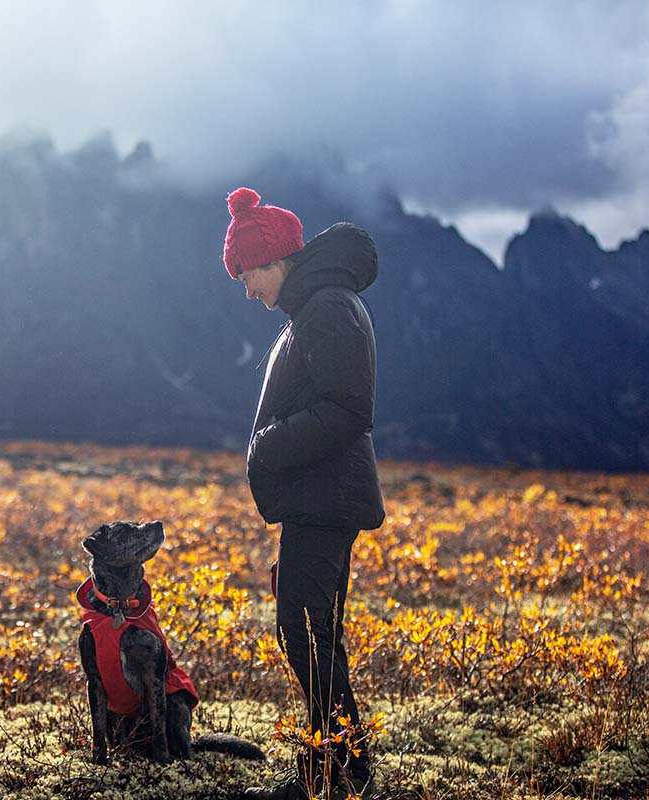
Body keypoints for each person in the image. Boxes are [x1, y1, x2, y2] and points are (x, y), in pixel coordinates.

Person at [222, 187, 386, 800]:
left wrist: (270, 447)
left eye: (248, 274)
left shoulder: (328, 309)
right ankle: (338, 768)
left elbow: (349, 408)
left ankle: (335, 773)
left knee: (309, 631)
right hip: (319, 501)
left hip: (326, 502)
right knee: (310, 631)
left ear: (273, 261)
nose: (247, 289)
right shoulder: (317, 308)